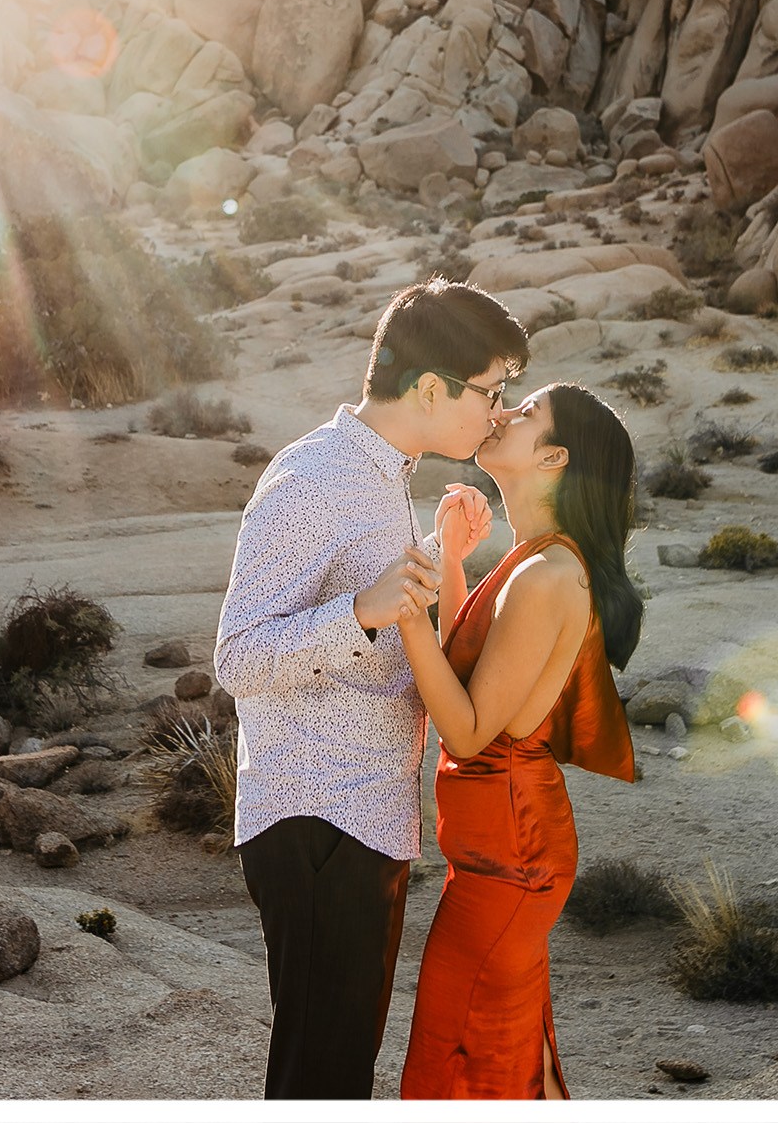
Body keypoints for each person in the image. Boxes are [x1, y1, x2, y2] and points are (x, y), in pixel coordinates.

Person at [211, 277, 530, 1100]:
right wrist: (360, 609)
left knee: (338, 1071)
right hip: (314, 817)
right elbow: (238, 656)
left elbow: (385, 607)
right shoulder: (313, 476)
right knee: (320, 1080)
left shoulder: (385, 472)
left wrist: (441, 549)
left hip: (366, 816)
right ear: (431, 388)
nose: (499, 413)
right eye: (492, 392)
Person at [392, 382, 644, 1100]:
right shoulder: (536, 559)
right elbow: (472, 689)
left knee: (467, 1063)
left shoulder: (545, 575)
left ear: (555, 456)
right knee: (503, 1058)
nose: (502, 413)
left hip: (511, 859)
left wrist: (404, 612)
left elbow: (467, 733)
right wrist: (448, 566)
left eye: (525, 413)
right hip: (501, 853)